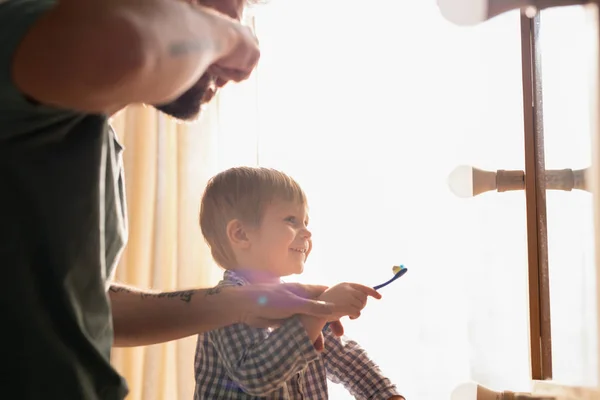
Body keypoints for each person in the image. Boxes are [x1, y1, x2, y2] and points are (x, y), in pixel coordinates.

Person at [0, 0, 368, 398]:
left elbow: (89, 308)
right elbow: (123, 43)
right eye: (229, 6)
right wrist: (225, 36)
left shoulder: (90, 138)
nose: (239, 33)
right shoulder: (25, 27)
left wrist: (240, 302)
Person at [193, 166, 405, 400]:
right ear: (242, 234)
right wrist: (319, 313)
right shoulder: (224, 305)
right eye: (291, 220)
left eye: (306, 221)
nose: (307, 232)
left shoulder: (302, 302)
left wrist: (385, 395)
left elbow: (346, 359)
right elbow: (255, 375)